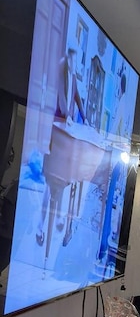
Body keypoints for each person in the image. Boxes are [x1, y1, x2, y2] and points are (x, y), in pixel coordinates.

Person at [35, 47, 87, 246]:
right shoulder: (60, 75)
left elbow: (77, 97)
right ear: (68, 60)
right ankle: (41, 227)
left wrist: (84, 116)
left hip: (64, 136)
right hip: (56, 134)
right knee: (50, 186)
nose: (75, 64)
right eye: (73, 60)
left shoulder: (72, 78)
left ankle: (58, 221)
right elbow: (61, 100)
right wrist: (67, 116)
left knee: (63, 183)